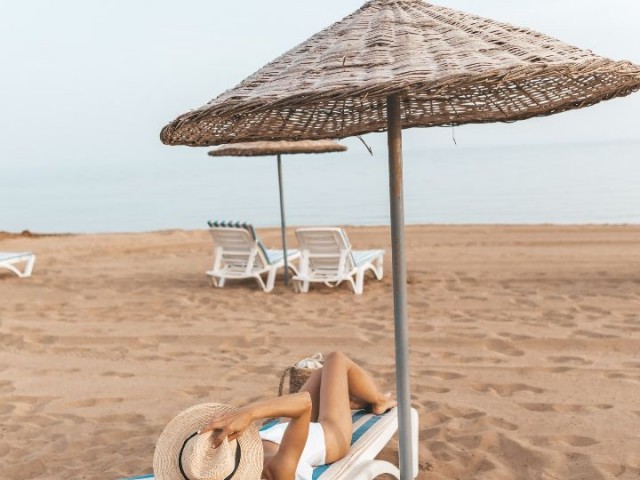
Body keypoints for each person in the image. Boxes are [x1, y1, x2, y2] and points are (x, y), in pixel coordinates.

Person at [198, 351, 396, 480]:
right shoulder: (276, 471)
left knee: (322, 374)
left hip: (279, 431)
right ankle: (378, 401)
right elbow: (303, 404)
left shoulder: (234, 465)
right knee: (335, 360)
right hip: (327, 437)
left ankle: (351, 401)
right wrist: (249, 412)